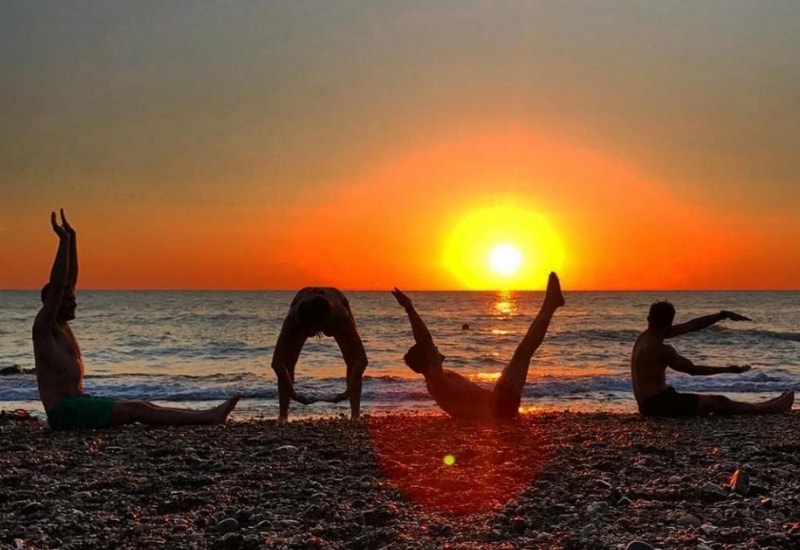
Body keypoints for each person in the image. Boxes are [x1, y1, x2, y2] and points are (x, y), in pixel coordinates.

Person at [33, 209, 240, 431]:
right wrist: (63, 242)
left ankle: (205, 415)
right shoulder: (45, 328)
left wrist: (73, 239)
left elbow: (69, 282)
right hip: (65, 412)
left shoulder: (62, 327)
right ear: (53, 304)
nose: (75, 303)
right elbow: (58, 286)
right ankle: (208, 417)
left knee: (142, 405)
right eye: (68, 301)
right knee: (138, 410)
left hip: (79, 403)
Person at [391, 272, 565, 419]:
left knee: (522, 352)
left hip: (498, 403)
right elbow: (425, 341)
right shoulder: (436, 382)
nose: (436, 349)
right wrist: (409, 309)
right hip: (500, 408)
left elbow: (425, 344)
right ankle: (550, 305)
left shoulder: (440, 377)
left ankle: (550, 304)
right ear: (428, 359)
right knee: (522, 353)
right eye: (432, 350)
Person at [631, 301, 794, 416]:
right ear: (670, 322)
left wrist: (722, 315)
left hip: (650, 403)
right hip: (658, 406)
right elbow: (693, 370)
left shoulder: (644, 338)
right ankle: (769, 409)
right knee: (718, 401)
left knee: (714, 402)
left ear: (649, 319)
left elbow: (692, 325)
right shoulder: (661, 350)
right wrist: (728, 369)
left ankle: (764, 405)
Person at [271, 287, 368, 422]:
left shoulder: (341, 317)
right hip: (303, 298)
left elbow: (362, 360)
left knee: (352, 360)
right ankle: (283, 415)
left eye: (312, 330)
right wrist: (294, 395)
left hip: (336, 300)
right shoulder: (294, 318)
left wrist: (347, 393)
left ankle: (355, 415)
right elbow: (277, 362)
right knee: (288, 362)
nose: (309, 334)